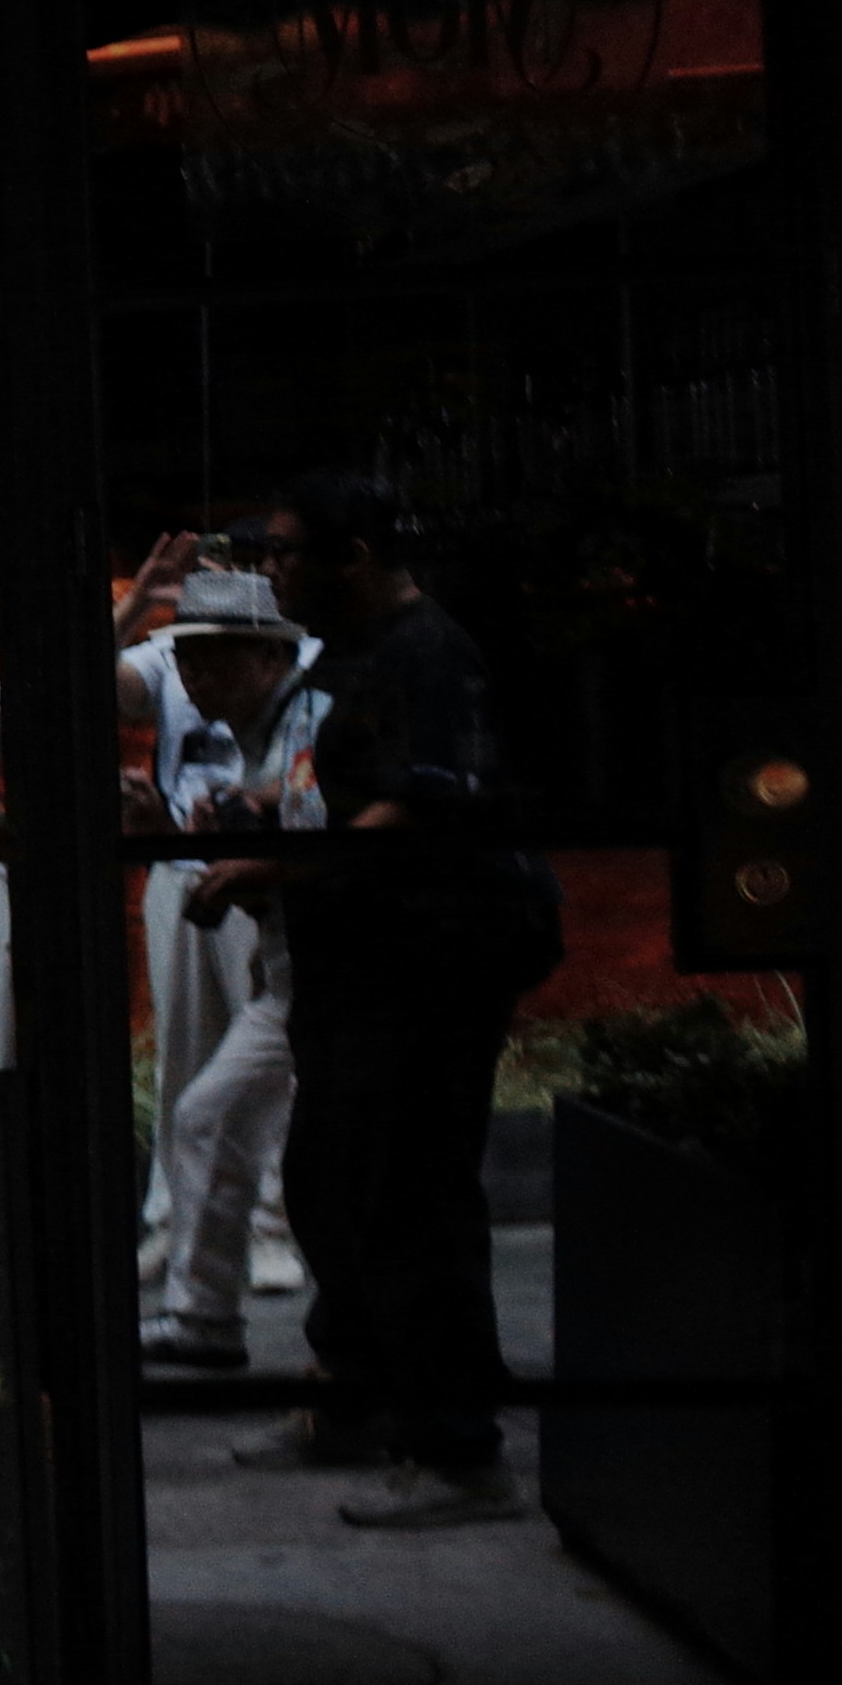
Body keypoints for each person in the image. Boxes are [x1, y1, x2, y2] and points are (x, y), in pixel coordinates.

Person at [200, 476, 562, 1531]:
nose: (269, 572)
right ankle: (352, 1395)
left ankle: (458, 1452)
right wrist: (250, 805)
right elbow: (329, 780)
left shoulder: (423, 653)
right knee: (325, 1178)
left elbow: (411, 806)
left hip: (430, 960)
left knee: (410, 1195)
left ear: (348, 556)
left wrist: (267, 872)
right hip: (356, 967)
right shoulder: (345, 655)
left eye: (280, 553)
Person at [129, 565, 312, 1370]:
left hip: (350, 977)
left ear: (269, 658)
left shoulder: (308, 718)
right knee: (207, 1113)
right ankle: (205, 1318)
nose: (193, 676)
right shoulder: (257, 733)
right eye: (189, 658)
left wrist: (248, 863)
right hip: (298, 977)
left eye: (216, 658)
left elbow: (337, 837)